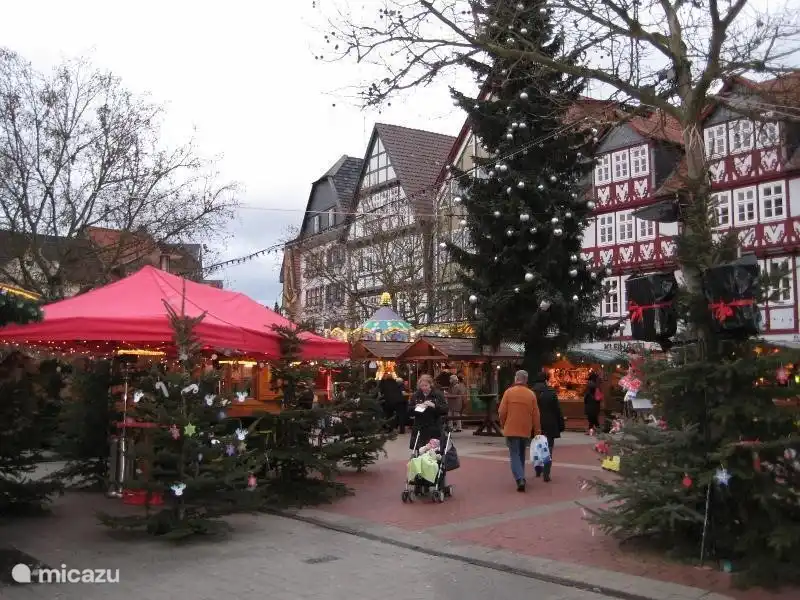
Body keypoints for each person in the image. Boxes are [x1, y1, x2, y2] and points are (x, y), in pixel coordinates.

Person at [498, 370, 541, 492]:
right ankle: (521, 475)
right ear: (526, 380)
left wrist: (503, 424)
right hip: (525, 429)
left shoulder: (508, 393)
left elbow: (501, 412)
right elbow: (536, 415)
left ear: (515, 379)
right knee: (521, 453)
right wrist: (537, 431)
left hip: (511, 429)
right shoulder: (531, 394)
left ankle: (520, 478)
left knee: (514, 454)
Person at [531, 370, 565, 482]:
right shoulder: (551, 392)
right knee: (549, 447)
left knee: (537, 446)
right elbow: (557, 410)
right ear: (546, 379)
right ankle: (546, 473)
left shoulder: (532, 392)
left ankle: (538, 469)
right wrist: (561, 424)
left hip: (536, 423)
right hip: (550, 423)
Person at [409, 374, 448, 451]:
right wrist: (415, 407)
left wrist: (434, 406)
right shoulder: (416, 395)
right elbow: (408, 411)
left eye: (426, 385)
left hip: (434, 428)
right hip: (420, 428)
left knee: (434, 452)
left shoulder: (438, 395)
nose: (424, 388)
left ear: (430, 384)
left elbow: (445, 409)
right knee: (420, 451)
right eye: (422, 386)